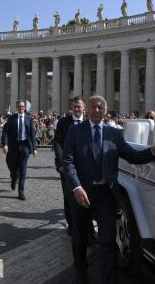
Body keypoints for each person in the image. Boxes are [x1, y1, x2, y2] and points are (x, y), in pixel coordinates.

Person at [63, 95, 155, 284]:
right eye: (93, 107)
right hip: (81, 193)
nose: (96, 110)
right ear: (87, 110)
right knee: (79, 239)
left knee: (108, 241)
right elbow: (68, 161)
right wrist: (76, 187)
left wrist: (153, 150)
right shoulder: (74, 131)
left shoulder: (115, 134)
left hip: (106, 194)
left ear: (106, 110)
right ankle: (81, 274)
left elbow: (131, 155)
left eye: (100, 107)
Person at [53, 97, 95, 238]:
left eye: (79, 106)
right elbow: (58, 143)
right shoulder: (64, 122)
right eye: (75, 106)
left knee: (88, 196)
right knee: (68, 198)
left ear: (84, 108)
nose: (77, 109)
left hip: (86, 167)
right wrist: (61, 163)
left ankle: (89, 229)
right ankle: (72, 227)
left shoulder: (89, 122)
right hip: (67, 166)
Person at [1, 100, 37, 200]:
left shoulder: (29, 118)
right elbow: (5, 132)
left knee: (23, 168)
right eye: (19, 106)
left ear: (24, 107)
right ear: (16, 107)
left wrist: (34, 148)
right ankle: (14, 177)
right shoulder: (12, 118)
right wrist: (5, 144)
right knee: (11, 164)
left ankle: (21, 191)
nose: (21, 108)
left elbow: (32, 134)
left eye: (22, 106)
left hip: (25, 145)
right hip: (13, 145)